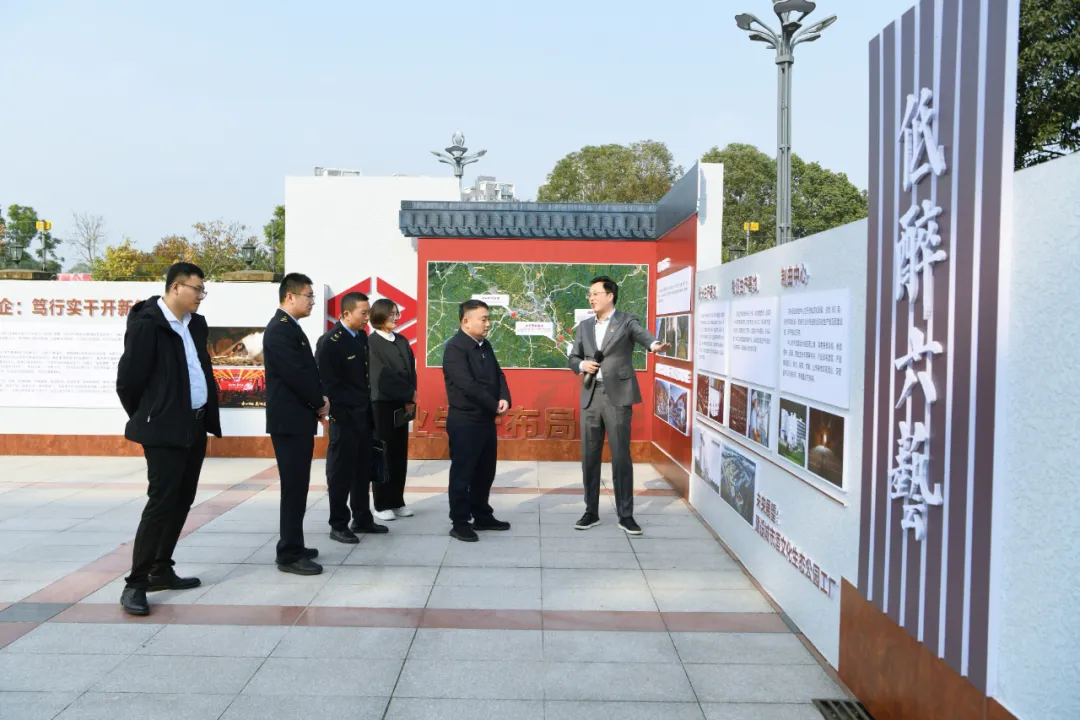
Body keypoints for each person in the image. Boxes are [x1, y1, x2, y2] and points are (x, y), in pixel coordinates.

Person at [115, 262, 222, 616]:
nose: (201, 296)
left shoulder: (196, 324)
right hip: (163, 429)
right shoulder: (148, 324)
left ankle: (161, 568)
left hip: (194, 426)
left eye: (203, 290)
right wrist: (152, 414)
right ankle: (136, 584)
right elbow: (128, 381)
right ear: (176, 287)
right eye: (197, 289)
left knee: (182, 499)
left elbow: (199, 370)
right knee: (161, 503)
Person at [569, 276, 669, 536]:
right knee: (589, 457)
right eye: (590, 294)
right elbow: (573, 357)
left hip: (617, 397)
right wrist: (582, 365)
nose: (591, 298)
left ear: (610, 295)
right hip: (591, 395)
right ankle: (591, 512)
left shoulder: (626, 321)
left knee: (621, 457)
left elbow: (641, 334)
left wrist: (654, 345)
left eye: (595, 293)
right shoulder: (584, 326)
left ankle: (626, 515)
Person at [264, 273, 329, 575]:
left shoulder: (290, 327)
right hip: (289, 422)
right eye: (308, 296)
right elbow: (296, 375)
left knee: (298, 486)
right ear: (290, 296)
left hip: (297, 419)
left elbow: (307, 371)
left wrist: (318, 399)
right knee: (293, 487)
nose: (313, 301)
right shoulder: (279, 329)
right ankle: (289, 554)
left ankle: (295, 543)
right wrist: (319, 402)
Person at [315, 291, 388, 543]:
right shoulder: (331, 342)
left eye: (369, 312)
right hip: (344, 418)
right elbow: (326, 383)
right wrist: (338, 413)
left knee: (362, 470)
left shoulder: (361, 336)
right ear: (346, 314)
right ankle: (338, 524)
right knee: (341, 473)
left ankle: (362, 517)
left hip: (363, 415)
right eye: (363, 313)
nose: (368, 318)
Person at [441, 299, 512, 542]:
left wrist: (504, 398)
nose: (488, 324)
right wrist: (494, 405)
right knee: (463, 474)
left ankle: (482, 515)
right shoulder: (455, 348)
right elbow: (468, 385)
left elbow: (498, 374)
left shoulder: (484, 345)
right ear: (466, 321)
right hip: (465, 420)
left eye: (488, 318)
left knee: (485, 471)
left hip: (485, 420)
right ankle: (460, 522)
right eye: (483, 319)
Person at [367, 298, 418, 521]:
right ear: (379, 315)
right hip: (381, 404)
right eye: (391, 314)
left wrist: (411, 395)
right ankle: (381, 504)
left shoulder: (402, 340)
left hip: (402, 404)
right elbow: (381, 375)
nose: (396, 318)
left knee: (399, 453)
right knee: (382, 453)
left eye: (397, 313)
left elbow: (411, 371)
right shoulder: (371, 342)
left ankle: (397, 501)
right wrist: (407, 393)